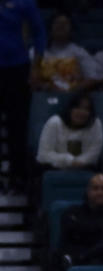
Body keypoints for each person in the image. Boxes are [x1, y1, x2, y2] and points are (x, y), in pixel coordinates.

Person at [0, 0, 44, 193]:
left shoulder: (25, 3)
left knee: (17, 124)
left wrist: (35, 68)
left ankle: (18, 176)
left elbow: (40, 33)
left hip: (17, 67)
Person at [60, 173, 103, 267]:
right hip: (76, 267)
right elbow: (67, 240)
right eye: (95, 188)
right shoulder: (72, 213)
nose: (100, 192)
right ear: (88, 191)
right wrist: (101, 229)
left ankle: (83, 256)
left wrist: (84, 234)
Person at [36, 92, 103, 171]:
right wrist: (69, 161)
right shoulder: (54, 122)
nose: (82, 112)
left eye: (86, 109)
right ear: (70, 109)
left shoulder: (95, 124)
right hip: (54, 170)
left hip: (84, 169)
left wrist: (80, 162)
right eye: (78, 107)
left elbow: (94, 153)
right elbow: (43, 155)